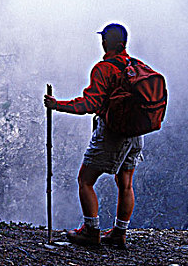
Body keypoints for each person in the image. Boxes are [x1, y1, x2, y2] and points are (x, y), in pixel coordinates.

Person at [44, 23, 143, 248]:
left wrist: (57, 105)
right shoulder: (134, 66)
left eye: (104, 39)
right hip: (136, 132)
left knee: (85, 179)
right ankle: (119, 233)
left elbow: (90, 103)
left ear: (109, 43)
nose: (102, 42)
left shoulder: (104, 69)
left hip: (113, 132)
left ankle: (91, 231)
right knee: (125, 183)